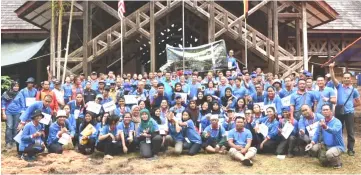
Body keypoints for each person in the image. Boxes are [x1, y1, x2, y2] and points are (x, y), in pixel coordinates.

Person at [329, 62, 360, 156]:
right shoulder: (339, 87)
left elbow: (358, 101)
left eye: (348, 77)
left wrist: (350, 106)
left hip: (349, 112)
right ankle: (339, 147)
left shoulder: (354, 90)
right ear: (342, 79)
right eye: (345, 77)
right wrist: (331, 69)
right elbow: (333, 79)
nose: (346, 79)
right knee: (338, 129)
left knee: (350, 131)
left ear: (351, 79)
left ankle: (350, 149)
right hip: (339, 111)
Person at [1, 81, 20, 149]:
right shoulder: (6, 93)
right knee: (9, 126)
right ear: (12, 86)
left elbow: (22, 103)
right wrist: (3, 113)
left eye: (17, 86)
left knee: (16, 127)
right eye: (15, 86)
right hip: (8, 112)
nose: (16, 87)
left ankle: (14, 141)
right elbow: (3, 104)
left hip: (17, 112)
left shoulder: (20, 93)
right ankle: (8, 142)